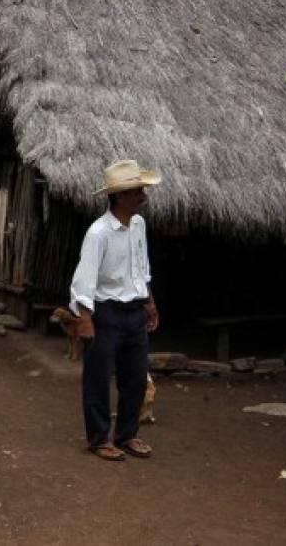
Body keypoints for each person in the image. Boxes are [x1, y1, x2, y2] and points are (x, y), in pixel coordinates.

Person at [69, 159, 162, 462]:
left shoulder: (138, 225)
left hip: (134, 312)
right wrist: (85, 320)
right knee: (98, 378)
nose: (142, 196)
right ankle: (98, 439)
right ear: (120, 196)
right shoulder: (99, 233)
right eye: (136, 191)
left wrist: (149, 301)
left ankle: (127, 435)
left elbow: (141, 268)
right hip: (106, 313)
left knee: (134, 379)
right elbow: (84, 279)